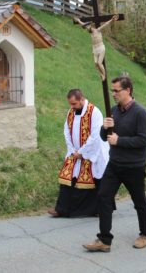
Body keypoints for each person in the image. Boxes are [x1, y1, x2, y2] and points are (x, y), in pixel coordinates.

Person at [83, 76, 146, 252]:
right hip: (114, 164)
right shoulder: (113, 110)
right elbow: (102, 137)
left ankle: (145, 234)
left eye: (116, 90)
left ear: (128, 90)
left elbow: (144, 140)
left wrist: (119, 141)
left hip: (134, 166)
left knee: (139, 201)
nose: (113, 94)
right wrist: (105, 128)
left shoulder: (140, 113)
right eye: (112, 90)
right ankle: (104, 240)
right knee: (104, 197)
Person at [49, 89, 110, 218]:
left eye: (74, 104)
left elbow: (95, 136)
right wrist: (72, 150)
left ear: (81, 99)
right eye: (70, 104)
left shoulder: (94, 112)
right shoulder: (70, 112)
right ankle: (61, 209)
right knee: (66, 179)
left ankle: (97, 209)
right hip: (75, 153)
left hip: (92, 153)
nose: (72, 107)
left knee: (95, 180)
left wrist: (82, 152)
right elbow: (66, 130)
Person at [74, 15, 118, 81]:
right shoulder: (90, 31)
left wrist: (112, 20)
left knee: (99, 63)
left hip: (101, 48)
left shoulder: (98, 30)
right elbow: (83, 24)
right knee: (96, 64)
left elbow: (105, 24)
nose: (87, 29)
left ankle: (104, 75)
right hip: (95, 49)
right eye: (87, 28)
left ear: (91, 27)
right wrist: (78, 20)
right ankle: (101, 73)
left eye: (88, 27)